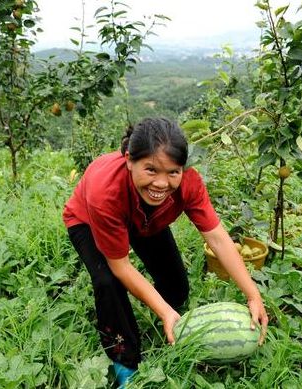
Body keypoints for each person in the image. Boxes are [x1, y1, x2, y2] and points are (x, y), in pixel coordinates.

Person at [63, 117, 268, 387]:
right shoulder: (106, 191)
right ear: (128, 160)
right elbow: (121, 266)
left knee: (177, 288)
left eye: (173, 172)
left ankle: (172, 323)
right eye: (150, 170)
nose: (161, 183)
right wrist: (164, 311)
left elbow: (217, 239)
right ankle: (124, 361)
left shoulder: (189, 183)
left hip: (148, 221)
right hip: (88, 220)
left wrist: (253, 294)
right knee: (108, 283)